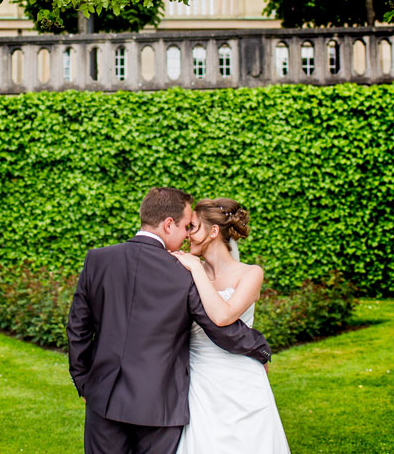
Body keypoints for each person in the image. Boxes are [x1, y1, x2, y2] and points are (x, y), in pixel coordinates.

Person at [67, 187, 272, 454]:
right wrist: (260, 348)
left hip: (103, 399)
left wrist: (83, 382)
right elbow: (218, 328)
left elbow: (78, 329)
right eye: (187, 226)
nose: (188, 234)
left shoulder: (98, 260)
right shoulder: (183, 271)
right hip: (160, 407)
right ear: (168, 225)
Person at [170, 198, 291, 454]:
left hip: (242, 377)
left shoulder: (250, 273)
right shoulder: (185, 270)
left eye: (192, 227)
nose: (186, 235)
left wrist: (196, 270)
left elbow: (223, 317)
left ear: (213, 231)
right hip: (199, 377)